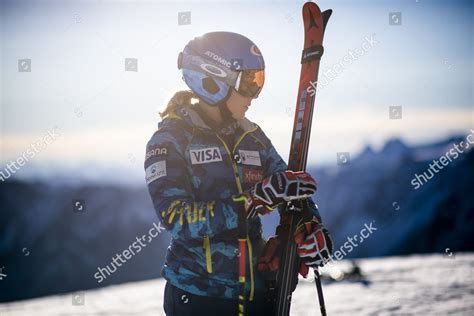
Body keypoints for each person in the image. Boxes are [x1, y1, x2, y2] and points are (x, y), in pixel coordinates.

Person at [144, 32, 333, 316]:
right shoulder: (169, 142)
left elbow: (289, 189)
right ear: (213, 80)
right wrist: (253, 201)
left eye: (259, 81)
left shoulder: (252, 137)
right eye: (248, 83)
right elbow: (178, 219)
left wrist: (306, 227)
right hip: (199, 298)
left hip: (258, 291)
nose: (255, 95)